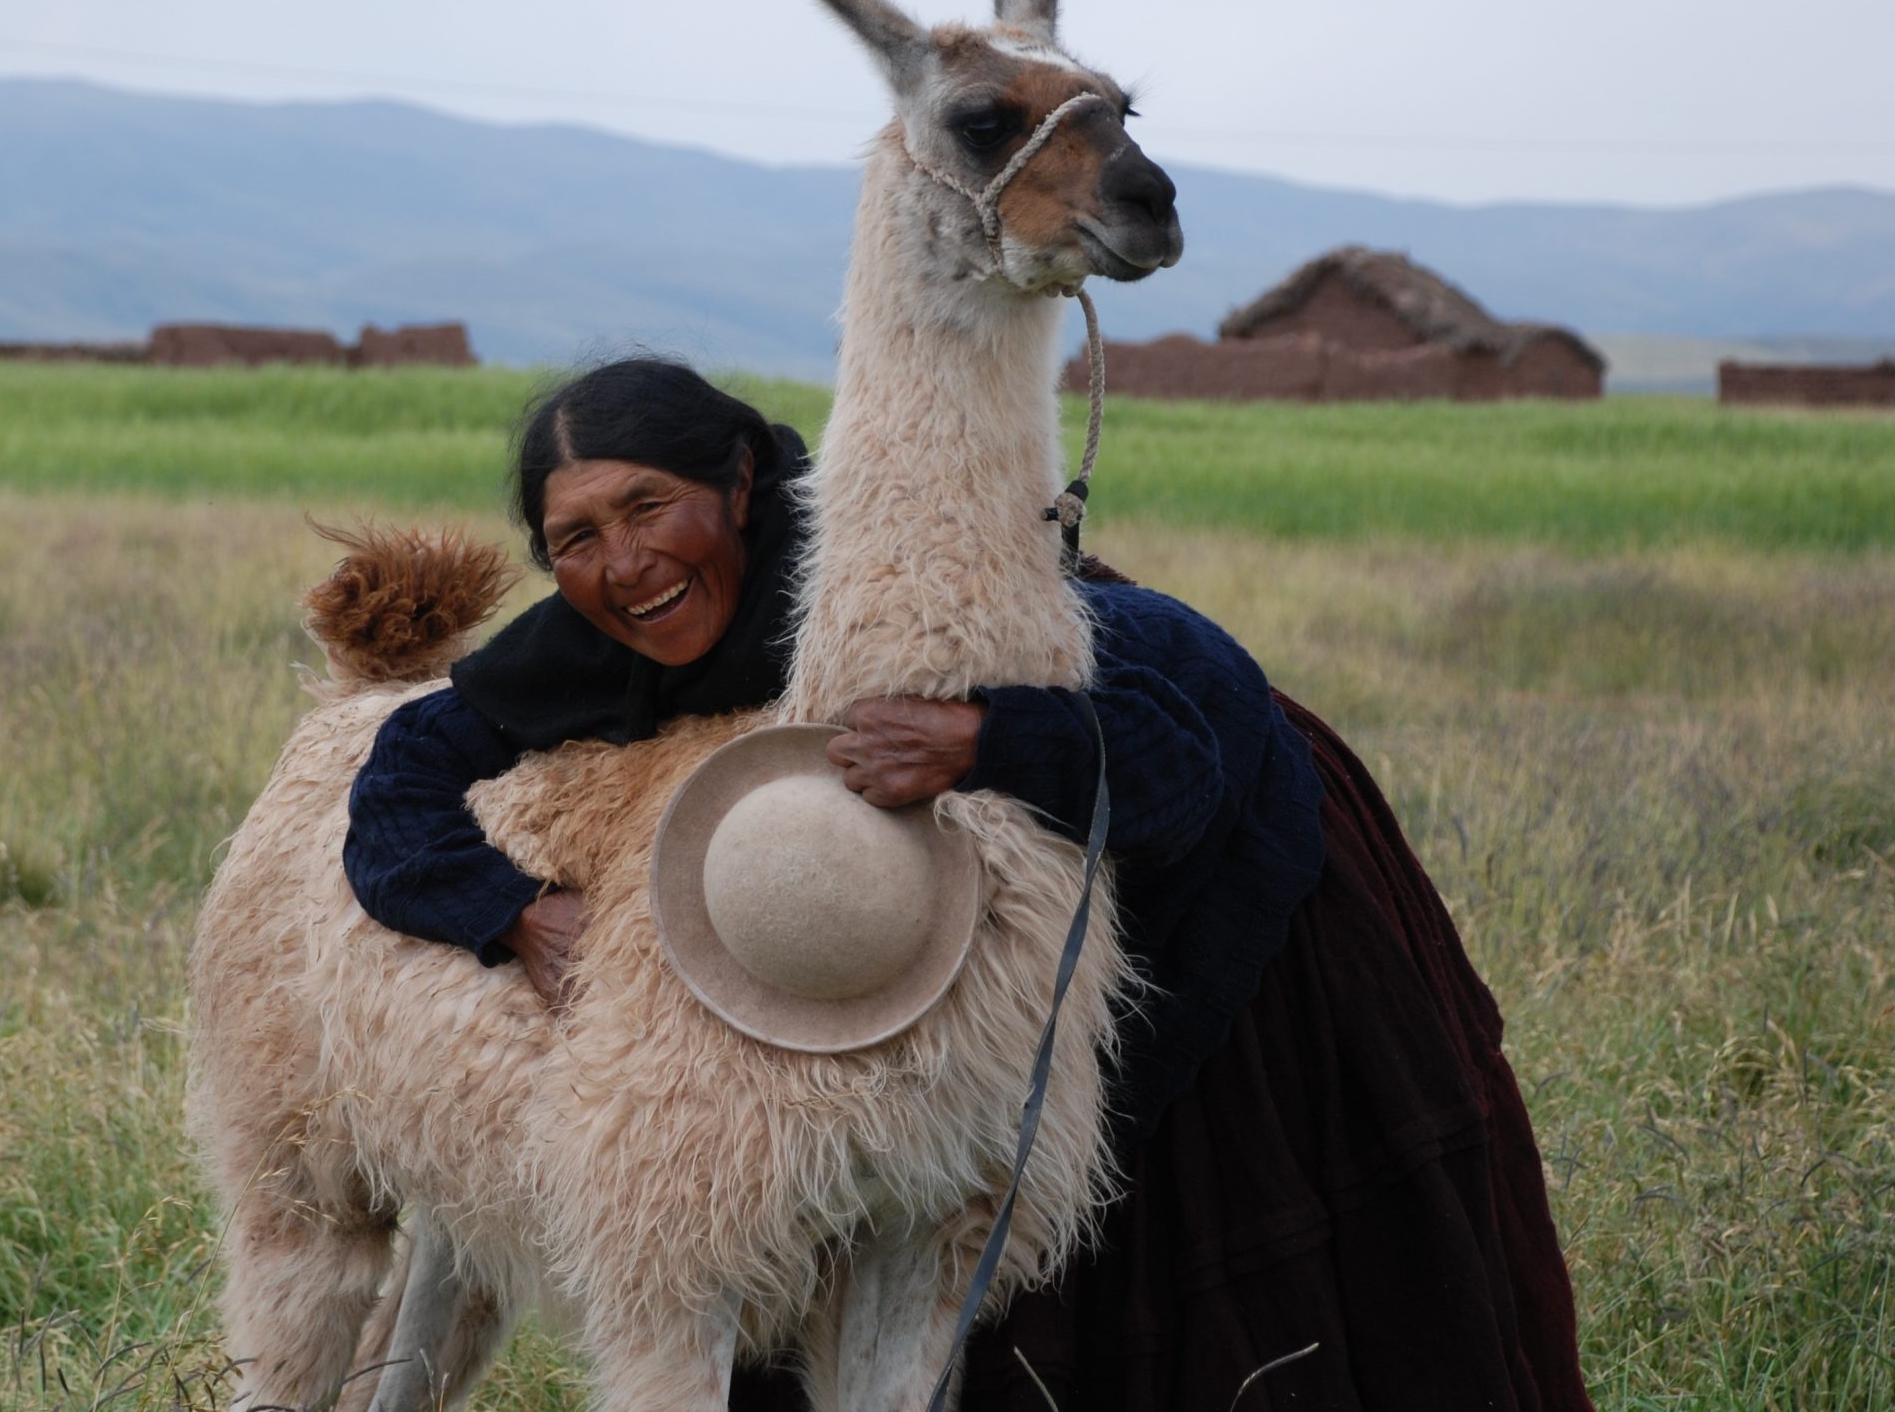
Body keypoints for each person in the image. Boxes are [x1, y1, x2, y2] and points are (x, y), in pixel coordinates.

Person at [342, 357, 1593, 1410]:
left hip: (1212, 814)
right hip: (960, 893)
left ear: (740, 482)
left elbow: (1171, 754)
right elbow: (395, 782)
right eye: (575, 537)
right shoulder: (589, 630)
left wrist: (988, 738)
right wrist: (506, 908)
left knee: (1177, 1215)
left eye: (649, 506)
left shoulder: (892, 574)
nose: (623, 563)